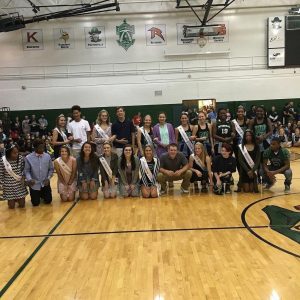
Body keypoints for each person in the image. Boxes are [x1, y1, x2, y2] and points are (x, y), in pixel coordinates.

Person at [24, 139, 54, 206]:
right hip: (34, 184)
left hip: (45, 183)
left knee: (48, 201)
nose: (42, 149)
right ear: (35, 148)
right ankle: (38, 194)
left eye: (43, 147)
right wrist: (29, 179)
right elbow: (27, 171)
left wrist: (48, 178)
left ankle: (42, 194)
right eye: (40, 147)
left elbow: (51, 169)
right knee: (35, 203)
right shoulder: (28, 158)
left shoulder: (47, 156)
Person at [249, 106, 272, 183]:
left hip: (265, 143)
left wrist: (264, 137)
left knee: (264, 162)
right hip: (256, 143)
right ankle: (257, 178)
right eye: (258, 111)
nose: (259, 112)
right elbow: (249, 132)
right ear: (255, 112)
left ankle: (266, 179)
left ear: (264, 112)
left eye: (261, 111)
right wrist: (256, 137)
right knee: (256, 161)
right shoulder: (252, 121)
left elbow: (271, 131)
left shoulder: (267, 120)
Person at [0, 144, 28, 209]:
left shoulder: (20, 158)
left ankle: (18, 198)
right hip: (8, 186)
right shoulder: (2, 161)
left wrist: (24, 178)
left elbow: (23, 170)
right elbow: (1, 174)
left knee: (22, 205)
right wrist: (1, 186)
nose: (17, 154)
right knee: (11, 206)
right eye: (14, 153)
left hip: (19, 184)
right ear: (8, 153)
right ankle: (13, 199)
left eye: (17, 152)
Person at [232, 105, 249, 192]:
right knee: (239, 164)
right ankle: (240, 181)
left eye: (242, 111)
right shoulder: (233, 122)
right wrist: (233, 135)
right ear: (236, 113)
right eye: (239, 111)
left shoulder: (248, 121)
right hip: (236, 146)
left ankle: (247, 181)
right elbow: (233, 134)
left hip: (246, 146)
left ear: (244, 112)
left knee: (246, 163)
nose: (240, 113)